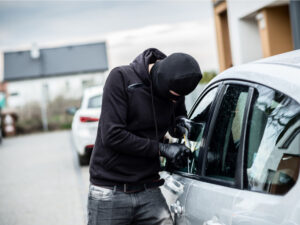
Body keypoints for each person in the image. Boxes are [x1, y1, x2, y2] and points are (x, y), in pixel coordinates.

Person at [88, 48, 202, 225]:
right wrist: (162, 149)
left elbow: (175, 123)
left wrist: (181, 123)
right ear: (158, 81)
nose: (175, 101)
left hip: (149, 188)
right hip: (110, 191)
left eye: (179, 98)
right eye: (173, 97)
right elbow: (112, 135)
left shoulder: (176, 86)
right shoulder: (121, 78)